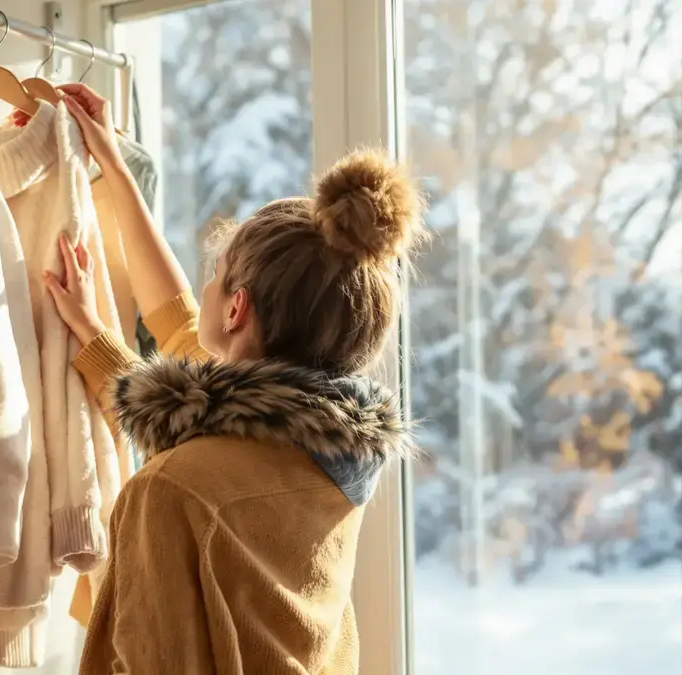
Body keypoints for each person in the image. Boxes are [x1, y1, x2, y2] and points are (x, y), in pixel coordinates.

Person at [46, 83, 423, 675]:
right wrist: (114, 170)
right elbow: (178, 326)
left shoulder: (173, 489)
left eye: (216, 273)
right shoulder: (330, 459)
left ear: (236, 307)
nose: (204, 287)